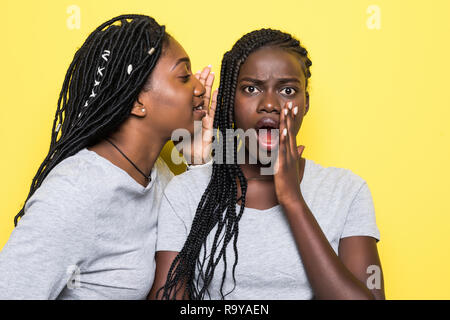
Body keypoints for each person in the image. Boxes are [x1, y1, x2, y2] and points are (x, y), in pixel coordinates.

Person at [149, 28, 385, 300]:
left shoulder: (346, 191)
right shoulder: (186, 191)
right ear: (229, 101)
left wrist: (293, 201)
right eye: (251, 88)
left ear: (305, 103)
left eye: (287, 90)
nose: (270, 104)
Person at [0, 14, 216, 299]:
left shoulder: (159, 176)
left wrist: (198, 164)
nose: (200, 89)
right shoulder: (75, 193)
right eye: (184, 77)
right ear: (138, 101)